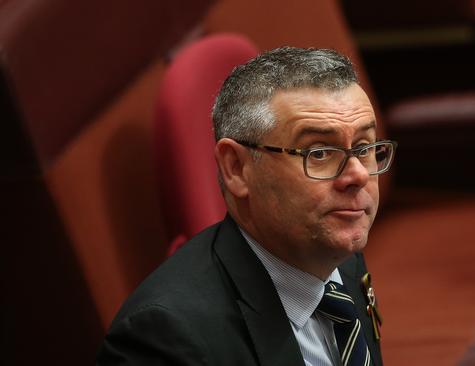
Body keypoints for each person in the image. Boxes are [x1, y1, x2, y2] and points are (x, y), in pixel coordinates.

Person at [97, 46, 396, 366]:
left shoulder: (340, 258)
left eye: (364, 147)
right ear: (236, 168)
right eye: (319, 153)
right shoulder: (164, 340)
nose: (358, 175)